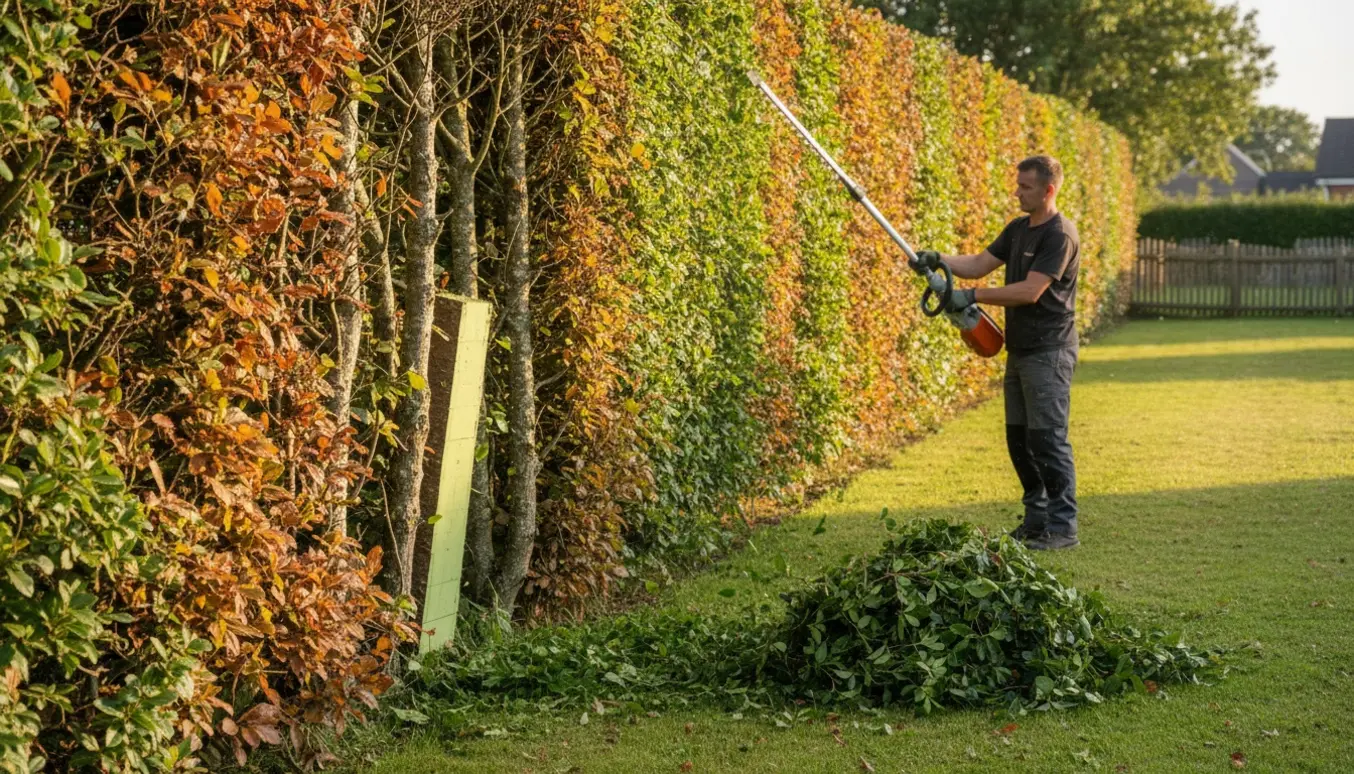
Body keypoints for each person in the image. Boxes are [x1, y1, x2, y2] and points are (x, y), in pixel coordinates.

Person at [915, 155, 1081, 550]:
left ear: (1048, 190)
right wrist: (938, 260)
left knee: (1048, 439)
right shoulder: (1019, 228)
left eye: (1025, 186)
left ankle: (1062, 528)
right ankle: (1036, 521)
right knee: (1019, 439)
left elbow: (1030, 290)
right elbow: (978, 263)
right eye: (1018, 184)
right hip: (1021, 350)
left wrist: (972, 296)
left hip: (1050, 350)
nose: (1017, 191)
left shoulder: (1059, 235)